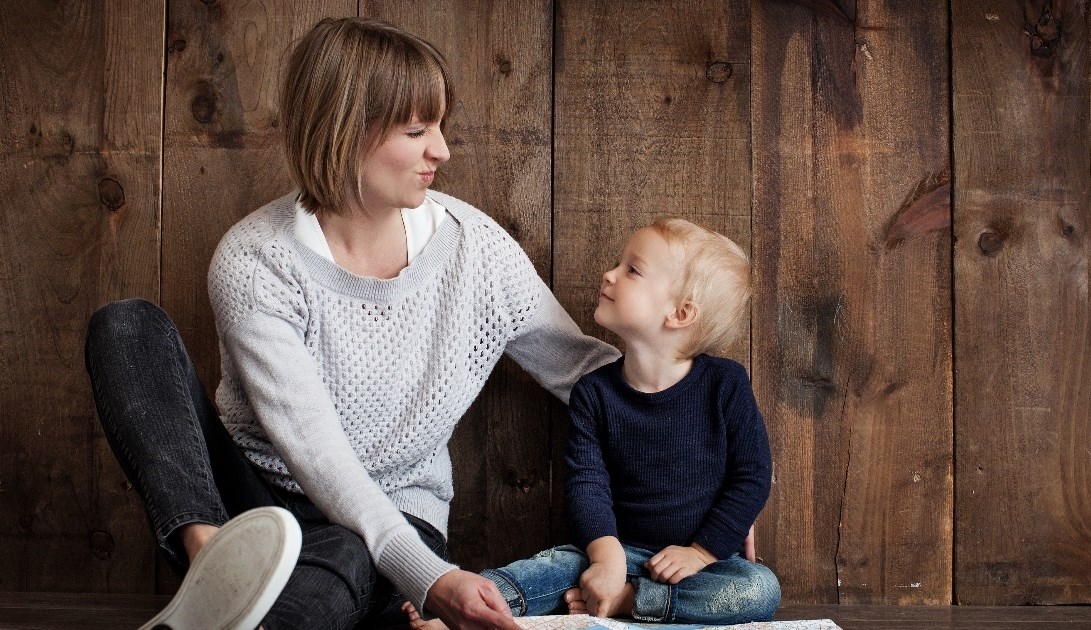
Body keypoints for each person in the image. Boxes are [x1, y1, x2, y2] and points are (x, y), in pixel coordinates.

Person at [84, 16, 618, 630]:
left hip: (398, 523)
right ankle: (212, 565)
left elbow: (584, 372)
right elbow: (314, 450)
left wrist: (715, 452)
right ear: (343, 133)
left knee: (344, 550)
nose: (441, 150)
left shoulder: (477, 250)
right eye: (417, 130)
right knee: (127, 328)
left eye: (440, 128)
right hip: (252, 505)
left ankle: (239, 613)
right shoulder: (256, 259)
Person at [409, 218, 780, 628]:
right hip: (611, 550)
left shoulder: (725, 385)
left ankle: (631, 601)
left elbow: (752, 476)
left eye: (632, 270)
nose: (610, 274)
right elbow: (587, 482)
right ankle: (465, 603)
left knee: (759, 589)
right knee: (550, 567)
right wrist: (606, 557)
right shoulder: (594, 393)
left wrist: (703, 552)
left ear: (680, 313)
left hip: (698, 564)